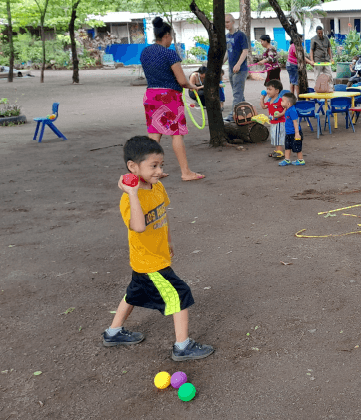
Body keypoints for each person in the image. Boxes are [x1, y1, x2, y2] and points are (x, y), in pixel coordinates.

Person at [104, 136, 214, 361]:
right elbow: (138, 226)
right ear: (133, 167)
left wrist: (169, 241)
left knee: (133, 294)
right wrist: (132, 193)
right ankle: (182, 346)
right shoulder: (129, 200)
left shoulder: (158, 187)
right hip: (149, 262)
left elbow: (163, 216)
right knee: (180, 294)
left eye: (161, 165)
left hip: (155, 255)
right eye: (153, 166)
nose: (159, 171)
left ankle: (113, 333)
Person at [140, 17, 204, 181]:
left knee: (154, 134)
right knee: (176, 134)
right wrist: (192, 87)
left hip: (151, 95)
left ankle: (150, 172)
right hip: (169, 97)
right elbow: (182, 81)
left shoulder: (145, 52)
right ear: (167, 35)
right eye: (171, 36)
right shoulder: (169, 53)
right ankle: (185, 172)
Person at [224, 13, 249, 122]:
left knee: (237, 94)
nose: (226, 24)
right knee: (239, 95)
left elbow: (245, 51)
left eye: (227, 22)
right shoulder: (227, 36)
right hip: (231, 69)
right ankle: (245, 114)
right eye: (224, 23)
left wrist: (238, 64)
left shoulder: (241, 35)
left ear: (233, 22)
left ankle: (232, 116)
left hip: (240, 70)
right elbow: (227, 52)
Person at [260, 79, 286, 159]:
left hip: (279, 122)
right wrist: (262, 98)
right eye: (267, 89)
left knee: (278, 136)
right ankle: (277, 150)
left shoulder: (280, 100)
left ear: (277, 91)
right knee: (274, 136)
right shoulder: (269, 100)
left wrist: (280, 114)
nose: (267, 91)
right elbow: (264, 106)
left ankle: (280, 151)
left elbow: (287, 107)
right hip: (273, 122)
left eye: (270, 89)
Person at [278, 92, 304, 167]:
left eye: (283, 101)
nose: (281, 102)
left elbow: (295, 123)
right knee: (287, 147)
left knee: (297, 148)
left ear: (288, 103)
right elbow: (282, 113)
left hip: (294, 133)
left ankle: (301, 160)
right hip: (289, 133)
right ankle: (287, 159)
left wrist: (297, 133)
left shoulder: (292, 111)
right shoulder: (287, 109)